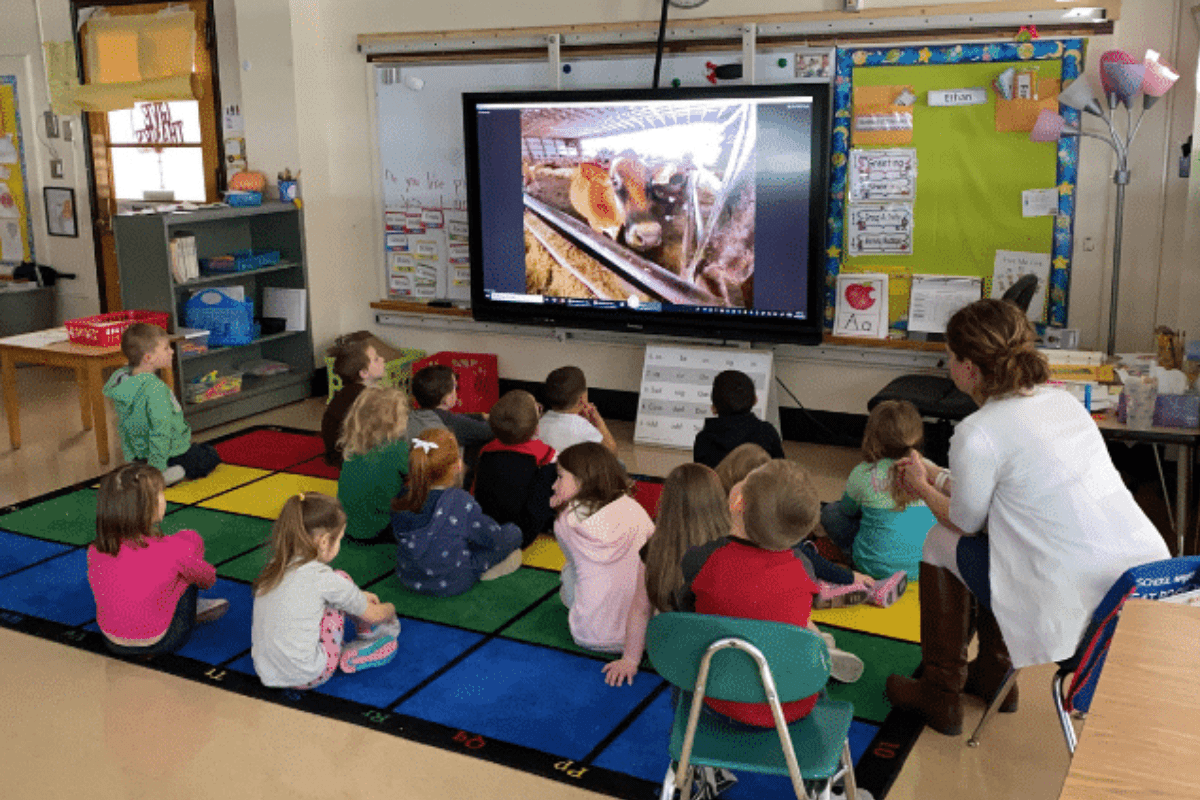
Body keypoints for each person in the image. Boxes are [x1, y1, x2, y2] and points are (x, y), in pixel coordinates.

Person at [886, 298, 1170, 735]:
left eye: (951, 356)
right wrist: (939, 475)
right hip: (1148, 593)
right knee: (999, 537)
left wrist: (922, 487)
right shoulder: (1065, 403)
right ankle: (994, 674)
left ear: (970, 369)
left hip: (1081, 613)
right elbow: (1013, 495)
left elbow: (965, 522)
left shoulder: (977, 433)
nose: (947, 364)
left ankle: (940, 694)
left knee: (939, 542)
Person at [677, 460, 864, 728]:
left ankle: (690, 760)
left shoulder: (702, 560)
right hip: (794, 705)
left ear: (738, 502)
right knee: (792, 624)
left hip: (719, 704)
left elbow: (687, 611)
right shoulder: (804, 568)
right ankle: (822, 648)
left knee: (685, 651)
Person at [251, 493, 401, 689]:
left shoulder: (274, 568)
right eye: (339, 539)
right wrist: (390, 608)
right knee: (341, 580)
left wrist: (358, 597)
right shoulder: (325, 579)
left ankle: (358, 613)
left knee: (334, 595)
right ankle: (365, 645)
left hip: (267, 672)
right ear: (323, 542)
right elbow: (375, 614)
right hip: (311, 675)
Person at [87, 463, 228, 657]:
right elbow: (208, 579)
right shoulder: (173, 550)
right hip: (164, 640)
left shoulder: (94, 549)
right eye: (160, 493)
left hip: (111, 640)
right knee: (190, 549)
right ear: (148, 506)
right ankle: (192, 609)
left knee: (161, 570)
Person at [715, 445, 874, 610]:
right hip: (778, 586)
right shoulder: (766, 522)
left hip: (740, 589)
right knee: (802, 557)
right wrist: (849, 577)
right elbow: (808, 558)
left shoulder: (718, 511)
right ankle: (820, 590)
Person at [551, 442, 655, 687]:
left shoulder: (565, 523)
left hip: (589, 633)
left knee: (568, 573)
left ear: (582, 480)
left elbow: (573, 565)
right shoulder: (634, 508)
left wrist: (558, 510)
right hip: (646, 633)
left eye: (560, 477)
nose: (554, 485)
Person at [817, 399, 934, 606]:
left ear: (872, 436)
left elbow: (846, 510)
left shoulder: (863, 472)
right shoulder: (932, 470)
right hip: (922, 568)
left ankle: (850, 562)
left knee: (831, 512)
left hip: (870, 566)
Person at [391, 428, 523, 596]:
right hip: (453, 581)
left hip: (409, 576)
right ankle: (490, 569)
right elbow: (493, 538)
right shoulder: (460, 501)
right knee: (513, 533)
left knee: (458, 536)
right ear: (457, 466)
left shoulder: (402, 496)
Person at [104, 323, 220, 486]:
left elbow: (124, 426)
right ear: (148, 358)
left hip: (139, 454)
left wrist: (132, 458)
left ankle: (141, 469)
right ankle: (161, 475)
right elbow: (161, 430)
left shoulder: (122, 381)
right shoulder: (156, 391)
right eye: (166, 348)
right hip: (169, 453)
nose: (171, 351)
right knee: (209, 455)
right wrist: (156, 468)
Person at [472, 390, 557, 547]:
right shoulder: (545, 452)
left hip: (484, 526)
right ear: (536, 429)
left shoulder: (486, 450)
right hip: (522, 535)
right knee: (555, 472)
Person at [337, 386, 410, 542]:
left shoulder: (352, 446)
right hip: (379, 529)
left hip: (346, 525)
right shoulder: (397, 450)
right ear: (395, 421)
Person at [405, 363, 493, 486]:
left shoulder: (411, 417)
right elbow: (490, 431)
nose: (456, 390)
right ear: (446, 399)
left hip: (415, 483)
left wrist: (479, 416)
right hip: (445, 486)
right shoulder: (451, 424)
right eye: (455, 387)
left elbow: (457, 419)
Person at [693, 370, 785, 469]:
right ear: (755, 400)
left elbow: (703, 478)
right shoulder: (768, 433)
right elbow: (780, 471)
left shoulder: (704, 439)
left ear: (714, 408)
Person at [322, 333, 386, 467]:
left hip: (337, 456)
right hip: (354, 459)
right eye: (376, 359)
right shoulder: (368, 398)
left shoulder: (346, 392)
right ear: (363, 373)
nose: (382, 359)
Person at [538, 365, 618, 454]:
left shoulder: (539, 424)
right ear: (582, 398)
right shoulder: (585, 428)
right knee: (621, 464)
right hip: (575, 467)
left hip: (549, 466)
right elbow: (611, 452)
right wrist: (598, 422)